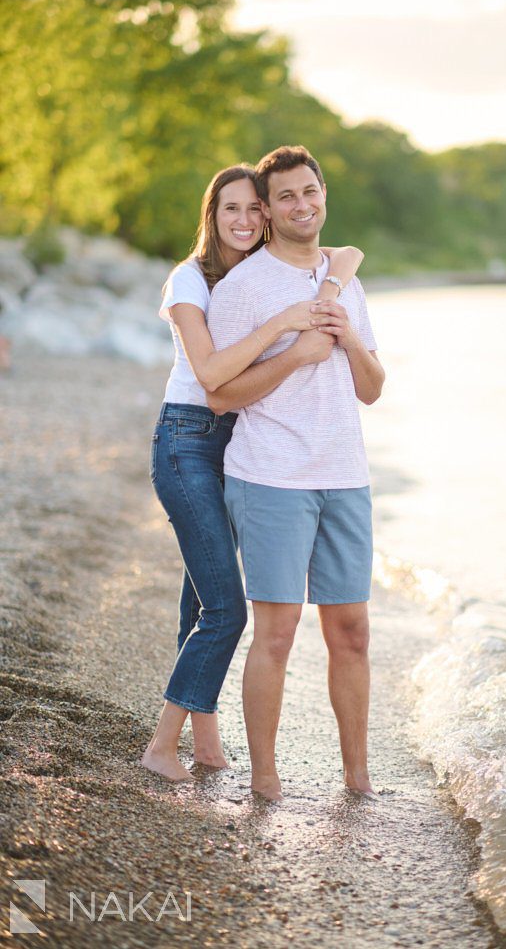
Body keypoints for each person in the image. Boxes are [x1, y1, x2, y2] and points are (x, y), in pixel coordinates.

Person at [141, 163, 364, 781]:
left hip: (238, 445)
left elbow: (345, 252)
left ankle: (205, 739)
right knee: (227, 609)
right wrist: (287, 327)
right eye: (229, 209)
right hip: (188, 442)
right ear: (210, 216)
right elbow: (212, 378)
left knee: (199, 600)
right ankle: (162, 745)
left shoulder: (256, 273)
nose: (243, 220)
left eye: (251, 209)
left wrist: (330, 287)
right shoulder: (189, 281)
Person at [205, 146, 385, 800]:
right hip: (270, 476)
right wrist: (297, 354)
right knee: (276, 632)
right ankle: (265, 777)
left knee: (353, 632)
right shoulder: (244, 288)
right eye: (285, 197)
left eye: (309, 192)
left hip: (345, 475)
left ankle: (357, 777)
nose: (300, 205)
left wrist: (349, 340)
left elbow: (371, 389)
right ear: (268, 209)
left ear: (323, 194)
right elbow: (220, 393)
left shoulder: (346, 283)